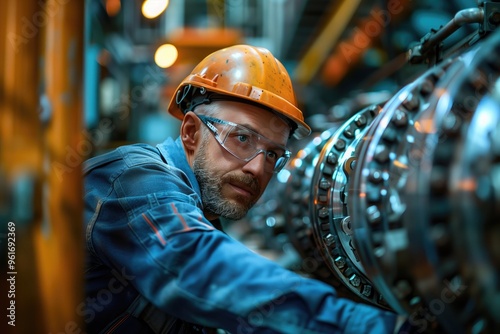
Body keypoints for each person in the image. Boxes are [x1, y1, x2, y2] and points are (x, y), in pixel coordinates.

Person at [83, 44, 406, 333]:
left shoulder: (205, 216)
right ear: (192, 133)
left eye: (272, 154)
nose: (257, 168)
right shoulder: (132, 179)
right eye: (242, 138)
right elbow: (200, 268)